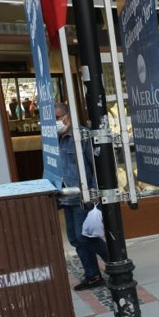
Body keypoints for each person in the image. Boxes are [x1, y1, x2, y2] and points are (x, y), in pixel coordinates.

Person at [54, 102, 109, 291]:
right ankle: (92, 275)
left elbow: (94, 165)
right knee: (76, 239)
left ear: (67, 116)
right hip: (65, 196)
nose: (56, 122)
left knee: (84, 236)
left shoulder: (81, 136)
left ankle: (114, 261)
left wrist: (94, 192)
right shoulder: (55, 138)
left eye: (58, 117)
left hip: (82, 194)